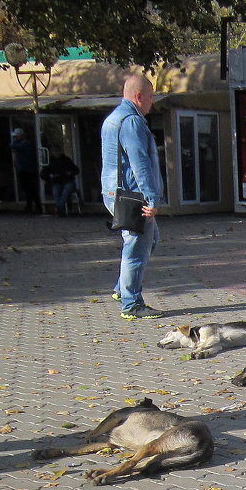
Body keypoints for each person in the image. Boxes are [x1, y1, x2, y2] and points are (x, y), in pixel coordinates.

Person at [101, 74, 165, 320]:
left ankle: (122, 289)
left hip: (116, 192)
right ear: (139, 97)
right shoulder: (131, 122)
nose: (152, 102)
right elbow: (140, 163)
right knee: (137, 248)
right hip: (131, 195)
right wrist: (150, 199)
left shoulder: (114, 118)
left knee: (149, 239)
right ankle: (131, 304)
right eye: (150, 97)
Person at [10, 128, 42, 213]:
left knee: (30, 188)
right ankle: (30, 205)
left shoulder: (25, 144)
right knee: (27, 188)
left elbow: (12, 145)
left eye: (16, 136)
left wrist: (15, 140)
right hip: (23, 169)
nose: (15, 138)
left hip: (27, 169)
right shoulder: (24, 144)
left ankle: (35, 206)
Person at [43, 145, 80, 217]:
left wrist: (70, 173)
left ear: (60, 151)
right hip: (57, 182)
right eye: (54, 151)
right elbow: (43, 173)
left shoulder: (66, 160)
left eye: (57, 151)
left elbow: (76, 170)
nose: (55, 153)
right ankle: (60, 209)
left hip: (68, 181)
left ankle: (59, 208)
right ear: (51, 152)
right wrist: (50, 176)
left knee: (66, 191)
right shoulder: (50, 162)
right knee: (56, 193)